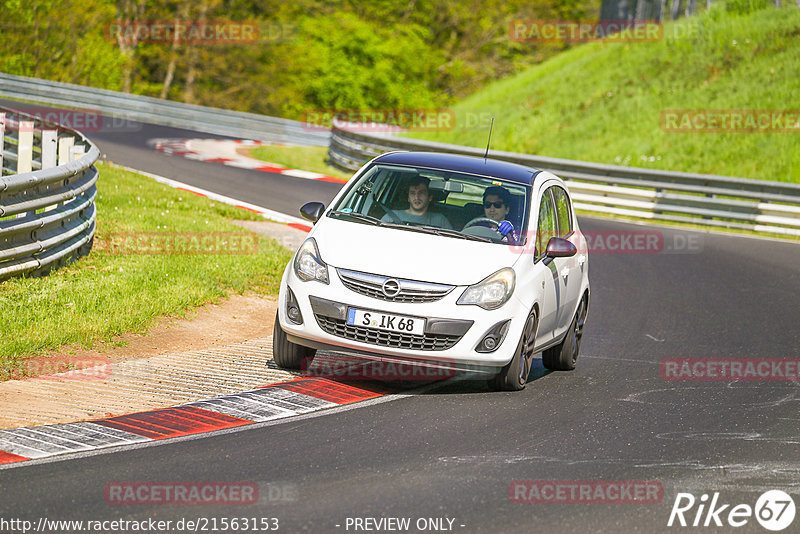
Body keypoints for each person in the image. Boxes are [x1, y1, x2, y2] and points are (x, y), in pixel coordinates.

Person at [381, 176, 453, 229]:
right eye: (412, 193)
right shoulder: (390, 217)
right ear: (408, 198)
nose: (416, 197)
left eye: (421, 193)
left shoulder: (440, 221)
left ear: (430, 197)